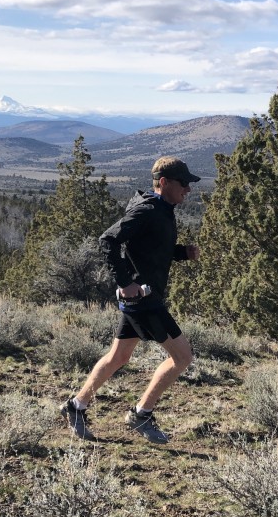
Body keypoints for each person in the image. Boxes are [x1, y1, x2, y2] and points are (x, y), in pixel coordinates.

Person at [62, 156, 201, 444]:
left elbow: (148, 248)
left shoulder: (162, 208)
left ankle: (76, 406)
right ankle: (141, 414)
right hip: (144, 300)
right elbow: (108, 241)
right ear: (163, 183)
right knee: (182, 357)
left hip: (143, 297)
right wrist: (125, 283)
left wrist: (180, 253)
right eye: (183, 183)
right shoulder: (148, 210)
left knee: (119, 357)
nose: (188, 189)